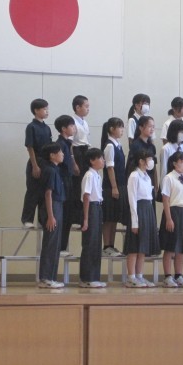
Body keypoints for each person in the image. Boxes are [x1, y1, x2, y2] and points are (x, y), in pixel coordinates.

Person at [160, 151, 183, 288]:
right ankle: (167, 276)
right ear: (175, 163)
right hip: (174, 212)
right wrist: (169, 218)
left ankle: (178, 275)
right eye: (182, 161)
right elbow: (166, 199)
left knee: (182, 247)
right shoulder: (168, 178)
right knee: (170, 246)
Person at [124, 149, 160, 288]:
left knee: (142, 246)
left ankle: (139, 276)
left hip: (147, 209)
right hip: (138, 210)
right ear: (141, 161)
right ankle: (131, 277)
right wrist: (135, 221)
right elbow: (132, 199)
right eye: (149, 159)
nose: (151, 161)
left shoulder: (147, 176)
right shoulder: (134, 176)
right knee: (134, 246)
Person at [37, 143, 66, 289]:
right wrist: (50, 216)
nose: (62, 154)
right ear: (52, 155)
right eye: (60, 152)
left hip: (57, 206)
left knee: (55, 245)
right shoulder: (49, 170)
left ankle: (51, 277)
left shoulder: (56, 170)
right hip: (52, 207)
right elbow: (48, 194)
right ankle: (45, 278)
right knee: (50, 244)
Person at [21, 98, 52, 229]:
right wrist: (34, 165)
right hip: (36, 160)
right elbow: (30, 147)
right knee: (32, 191)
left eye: (47, 109)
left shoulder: (47, 128)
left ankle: (42, 219)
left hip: (46, 162)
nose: (47, 111)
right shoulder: (31, 127)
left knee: (45, 192)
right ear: (36, 110)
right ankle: (27, 219)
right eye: (44, 109)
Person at [79, 148, 107, 288]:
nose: (103, 161)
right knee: (89, 243)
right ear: (92, 160)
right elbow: (86, 196)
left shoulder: (97, 175)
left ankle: (94, 277)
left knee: (96, 244)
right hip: (91, 209)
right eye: (100, 158)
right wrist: (85, 219)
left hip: (97, 207)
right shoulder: (89, 175)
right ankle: (86, 278)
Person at [101, 118, 128, 258]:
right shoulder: (110, 146)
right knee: (108, 218)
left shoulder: (118, 145)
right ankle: (106, 246)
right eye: (120, 127)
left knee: (114, 217)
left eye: (123, 127)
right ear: (111, 129)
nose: (122, 130)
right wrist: (114, 187)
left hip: (120, 185)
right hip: (110, 187)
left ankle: (111, 245)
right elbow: (110, 168)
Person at [54, 115, 77, 258]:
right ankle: (60, 247)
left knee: (68, 215)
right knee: (63, 216)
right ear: (63, 128)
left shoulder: (67, 144)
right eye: (72, 126)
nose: (74, 128)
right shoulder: (60, 144)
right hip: (63, 182)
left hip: (68, 181)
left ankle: (62, 246)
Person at [71, 95, 91, 227]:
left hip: (85, 152)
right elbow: (71, 144)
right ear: (77, 107)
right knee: (77, 186)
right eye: (86, 106)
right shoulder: (72, 121)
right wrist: (74, 163)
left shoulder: (85, 122)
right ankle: (75, 218)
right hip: (77, 152)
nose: (88, 109)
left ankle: (83, 217)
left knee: (84, 185)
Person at [127, 115, 159, 198]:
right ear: (141, 128)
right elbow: (130, 166)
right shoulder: (135, 145)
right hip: (139, 182)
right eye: (149, 126)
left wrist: (156, 183)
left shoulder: (152, 146)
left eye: (153, 127)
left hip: (149, 180)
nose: (152, 129)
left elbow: (154, 166)